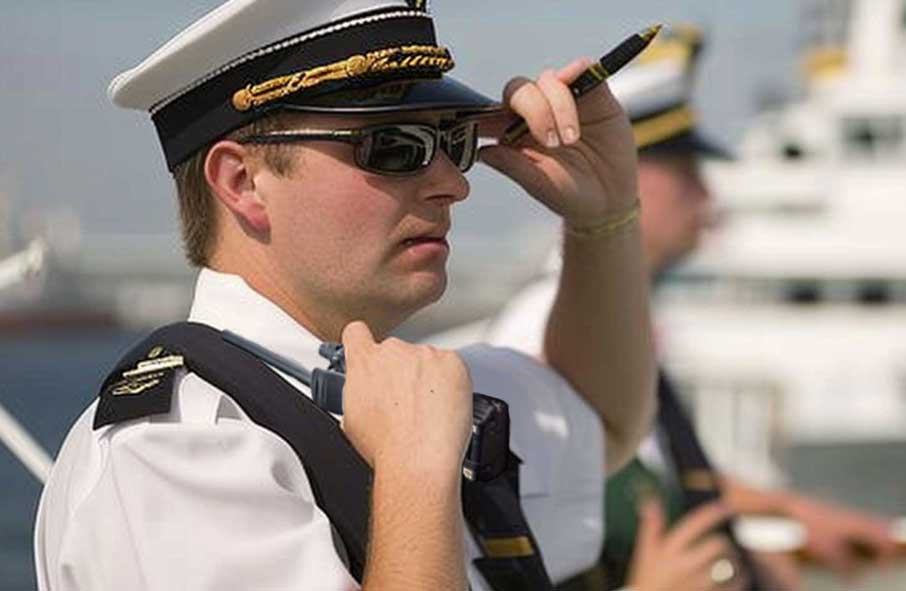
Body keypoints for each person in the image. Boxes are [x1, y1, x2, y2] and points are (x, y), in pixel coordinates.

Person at [32, 1, 657, 589]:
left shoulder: (400, 389)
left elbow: (600, 420)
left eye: (453, 143)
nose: (452, 185)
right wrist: (415, 479)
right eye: (394, 147)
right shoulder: (176, 454)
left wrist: (604, 220)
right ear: (242, 181)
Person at [485, 25, 899, 591]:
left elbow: (653, 470)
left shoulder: (603, 323)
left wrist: (782, 519)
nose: (708, 196)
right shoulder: (549, 327)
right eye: (688, 172)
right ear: (629, 168)